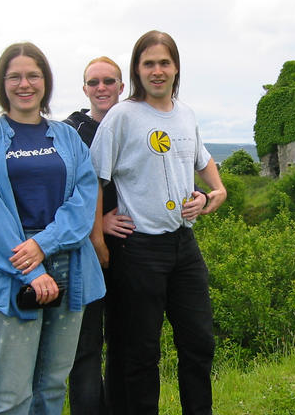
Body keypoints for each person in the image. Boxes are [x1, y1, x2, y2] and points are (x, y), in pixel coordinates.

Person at [0, 42, 106, 415]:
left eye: (33, 76)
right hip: (11, 271)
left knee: (52, 387)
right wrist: (32, 266)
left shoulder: (67, 137)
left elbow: (84, 197)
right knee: (11, 394)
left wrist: (44, 245)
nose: (24, 84)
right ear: (2, 83)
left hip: (69, 268)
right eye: (15, 76)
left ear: (45, 82)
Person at [90, 31, 226, 415]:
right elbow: (94, 178)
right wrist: (98, 235)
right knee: (141, 353)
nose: (157, 71)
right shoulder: (122, 116)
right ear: (137, 69)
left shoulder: (185, 113)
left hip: (184, 246)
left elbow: (201, 160)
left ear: (176, 67)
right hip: (139, 249)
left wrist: (215, 192)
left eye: (164, 62)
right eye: (148, 63)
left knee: (199, 343)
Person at [65, 56, 207, 414]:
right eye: (94, 83)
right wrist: (97, 228)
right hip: (95, 250)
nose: (102, 89)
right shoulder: (73, 132)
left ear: (121, 85)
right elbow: (76, 189)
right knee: (91, 347)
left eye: (109, 82)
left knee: (126, 343)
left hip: (135, 248)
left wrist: (210, 193)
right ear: (84, 89)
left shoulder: (138, 118)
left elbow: (184, 164)